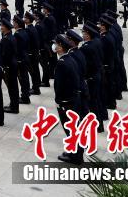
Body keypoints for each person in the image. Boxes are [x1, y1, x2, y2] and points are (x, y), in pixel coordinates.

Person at [53, 34, 84, 164]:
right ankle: (74, 152)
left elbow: (59, 86)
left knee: (71, 130)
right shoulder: (70, 59)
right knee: (73, 128)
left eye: (56, 44)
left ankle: (76, 157)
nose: (54, 46)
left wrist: (60, 101)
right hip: (73, 99)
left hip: (67, 102)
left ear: (61, 47)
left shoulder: (62, 63)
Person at [0, 19, 20, 114]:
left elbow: (5, 55)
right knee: (13, 86)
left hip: (9, 66)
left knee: (12, 87)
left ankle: (14, 107)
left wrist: (3, 66)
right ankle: (13, 104)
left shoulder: (6, 39)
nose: (0, 27)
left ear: (6, 28)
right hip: (13, 64)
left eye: (2, 26)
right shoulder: (10, 36)